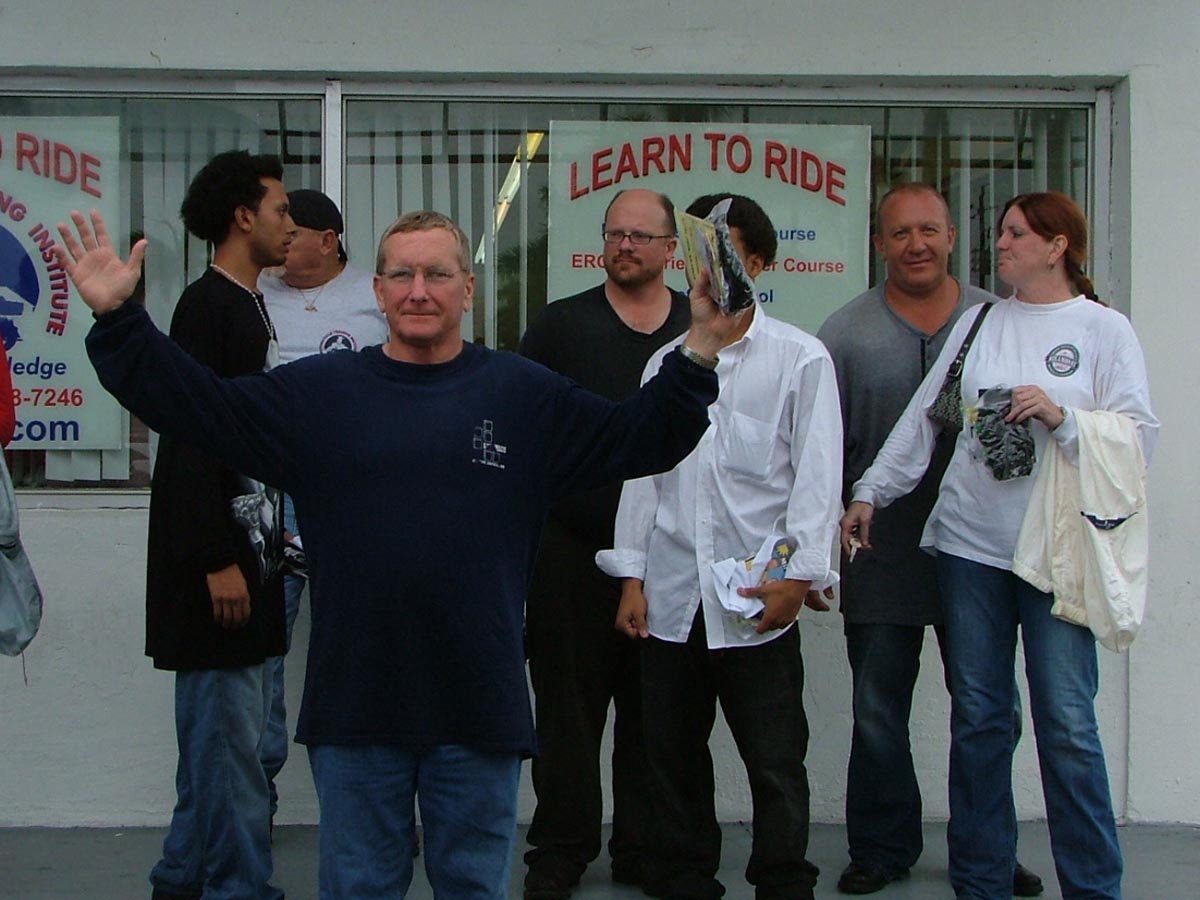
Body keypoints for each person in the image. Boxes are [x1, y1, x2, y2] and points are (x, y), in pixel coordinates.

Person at [56, 205, 739, 900]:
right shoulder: (320, 397)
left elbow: (639, 437)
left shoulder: (522, 396)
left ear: (467, 288)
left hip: (479, 710)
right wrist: (119, 321)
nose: (419, 291)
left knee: (472, 890)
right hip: (356, 710)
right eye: (402, 275)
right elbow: (198, 407)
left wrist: (701, 347)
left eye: (437, 274)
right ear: (377, 291)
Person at [842, 191, 1158, 900]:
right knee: (979, 718)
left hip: (1056, 554)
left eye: (1017, 234)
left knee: (1066, 722)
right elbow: (925, 421)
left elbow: (1139, 439)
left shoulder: (1103, 329)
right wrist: (870, 493)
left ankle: (1093, 886)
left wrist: (1064, 418)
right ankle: (980, 880)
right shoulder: (981, 321)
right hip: (971, 550)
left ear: (1057, 246)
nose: (1003, 243)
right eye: (1004, 232)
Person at [599, 193, 841, 900]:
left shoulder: (800, 359)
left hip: (758, 595)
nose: (710, 272)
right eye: (700, 255)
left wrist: (798, 577)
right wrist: (631, 576)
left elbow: (816, 481)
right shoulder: (666, 363)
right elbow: (643, 474)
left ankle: (783, 877)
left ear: (758, 264)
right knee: (671, 751)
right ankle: (684, 873)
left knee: (775, 756)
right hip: (674, 591)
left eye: (728, 255)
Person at [818, 184, 1042, 897]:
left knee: (989, 711)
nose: (915, 245)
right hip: (880, 552)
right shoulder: (844, 333)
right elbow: (823, 450)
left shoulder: (999, 321)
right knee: (877, 708)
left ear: (951, 237)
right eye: (899, 233)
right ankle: (882, 847)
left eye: (928, 230)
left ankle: (988, 851)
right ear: (878, 244)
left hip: (979, 552)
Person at [518, 188, 691, 900]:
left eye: (641, 236)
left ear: (671, 249)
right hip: (572, 549)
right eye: (615, 233)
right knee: (567, 712)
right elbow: (525, 432)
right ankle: (560, 851)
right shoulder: (560, 326)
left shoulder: (699, 329)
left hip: (670, 555)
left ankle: (644, 850)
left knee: (657, 714)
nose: (625, 246)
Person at [142, 149, 293, 900]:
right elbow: (189, 439)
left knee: (225, 749)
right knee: (229, 755)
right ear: (242, 217)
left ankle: (181, 876)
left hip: (252, 561)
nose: (292, 224)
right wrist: (214, 558)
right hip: (218, 576)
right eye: (281, 210)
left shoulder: (247, 303)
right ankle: (239, 889)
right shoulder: (207, 308)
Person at [258, 188, 387, 821]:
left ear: (329, 240)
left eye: (293, 229)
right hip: (274, 493)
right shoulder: (254, 293)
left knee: (367, 643)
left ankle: (380, 801)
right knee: (262, 649)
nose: (282, 239)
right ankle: (256, 794)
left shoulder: (376, 293)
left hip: (358, 497)